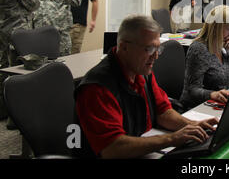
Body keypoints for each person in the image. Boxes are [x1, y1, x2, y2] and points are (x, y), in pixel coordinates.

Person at [75, 15, 218, 158]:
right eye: (149, 49)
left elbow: (163, 112)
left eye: (158, 48)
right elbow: (113, 148)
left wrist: (193, 126)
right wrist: (172, 139)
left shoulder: (141, 71)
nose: (156, 56)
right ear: (124, 47)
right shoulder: (97, 88)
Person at [180, 5, 229, 110]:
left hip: (220, 105)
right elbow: (191, 90)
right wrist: (212, 94)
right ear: (216, 28)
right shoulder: (199, 49)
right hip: (199, 108)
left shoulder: (225, 45)